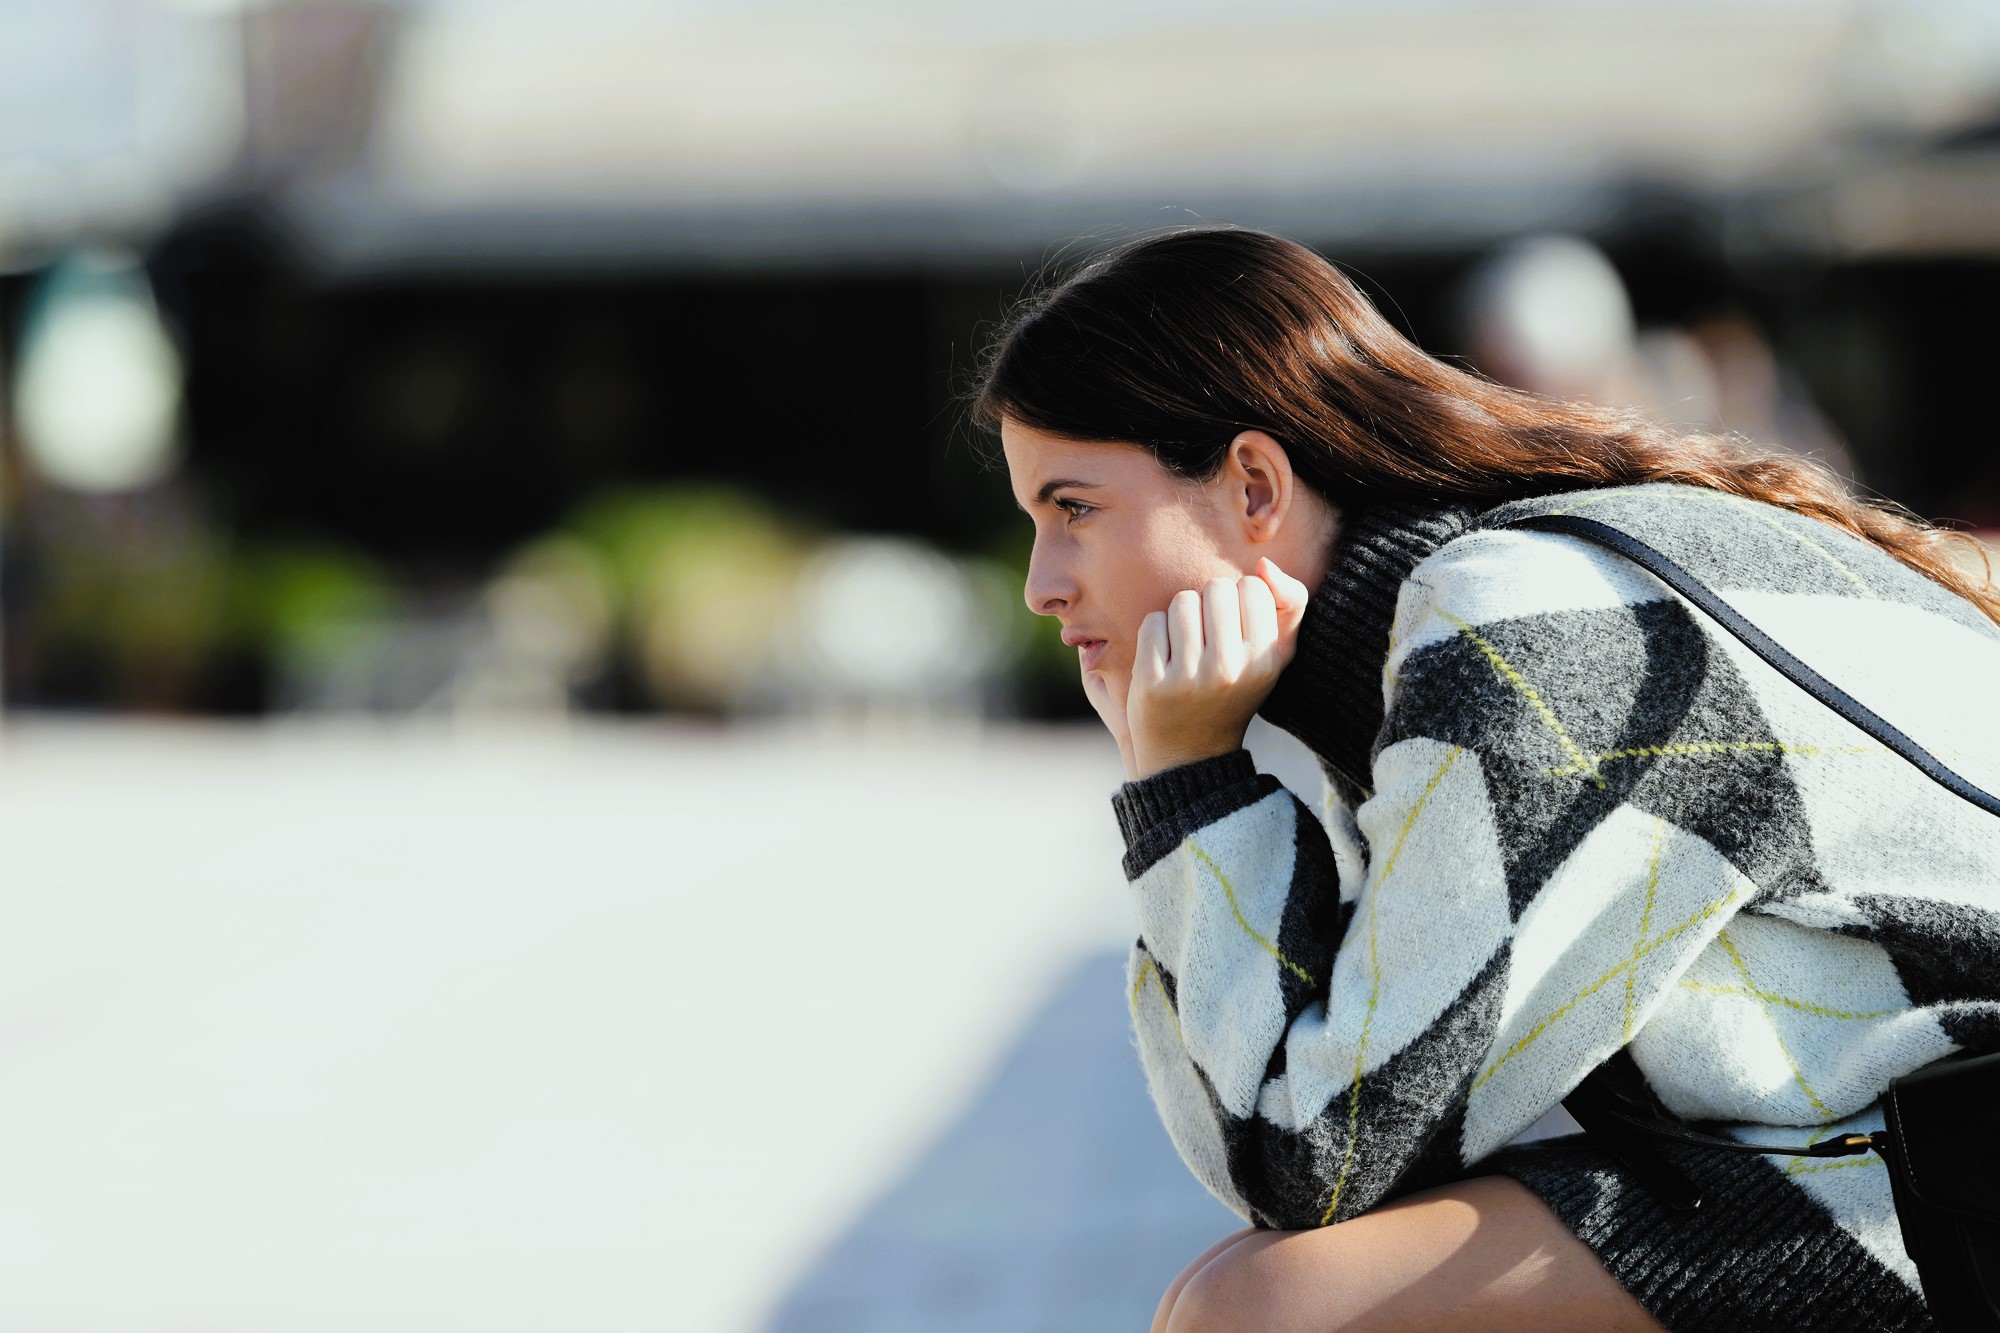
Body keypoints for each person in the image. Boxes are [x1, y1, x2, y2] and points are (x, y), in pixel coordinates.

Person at [971, 226, 2000, 1332]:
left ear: (1253, 484)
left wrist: (1181, 778)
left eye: (1072, 509)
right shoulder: (1463, 609)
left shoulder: (1521, 626)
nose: (1041, 584)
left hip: (1953, 1167)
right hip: (1888, 1154)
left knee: (1260, 1311)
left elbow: (1307, 1157)